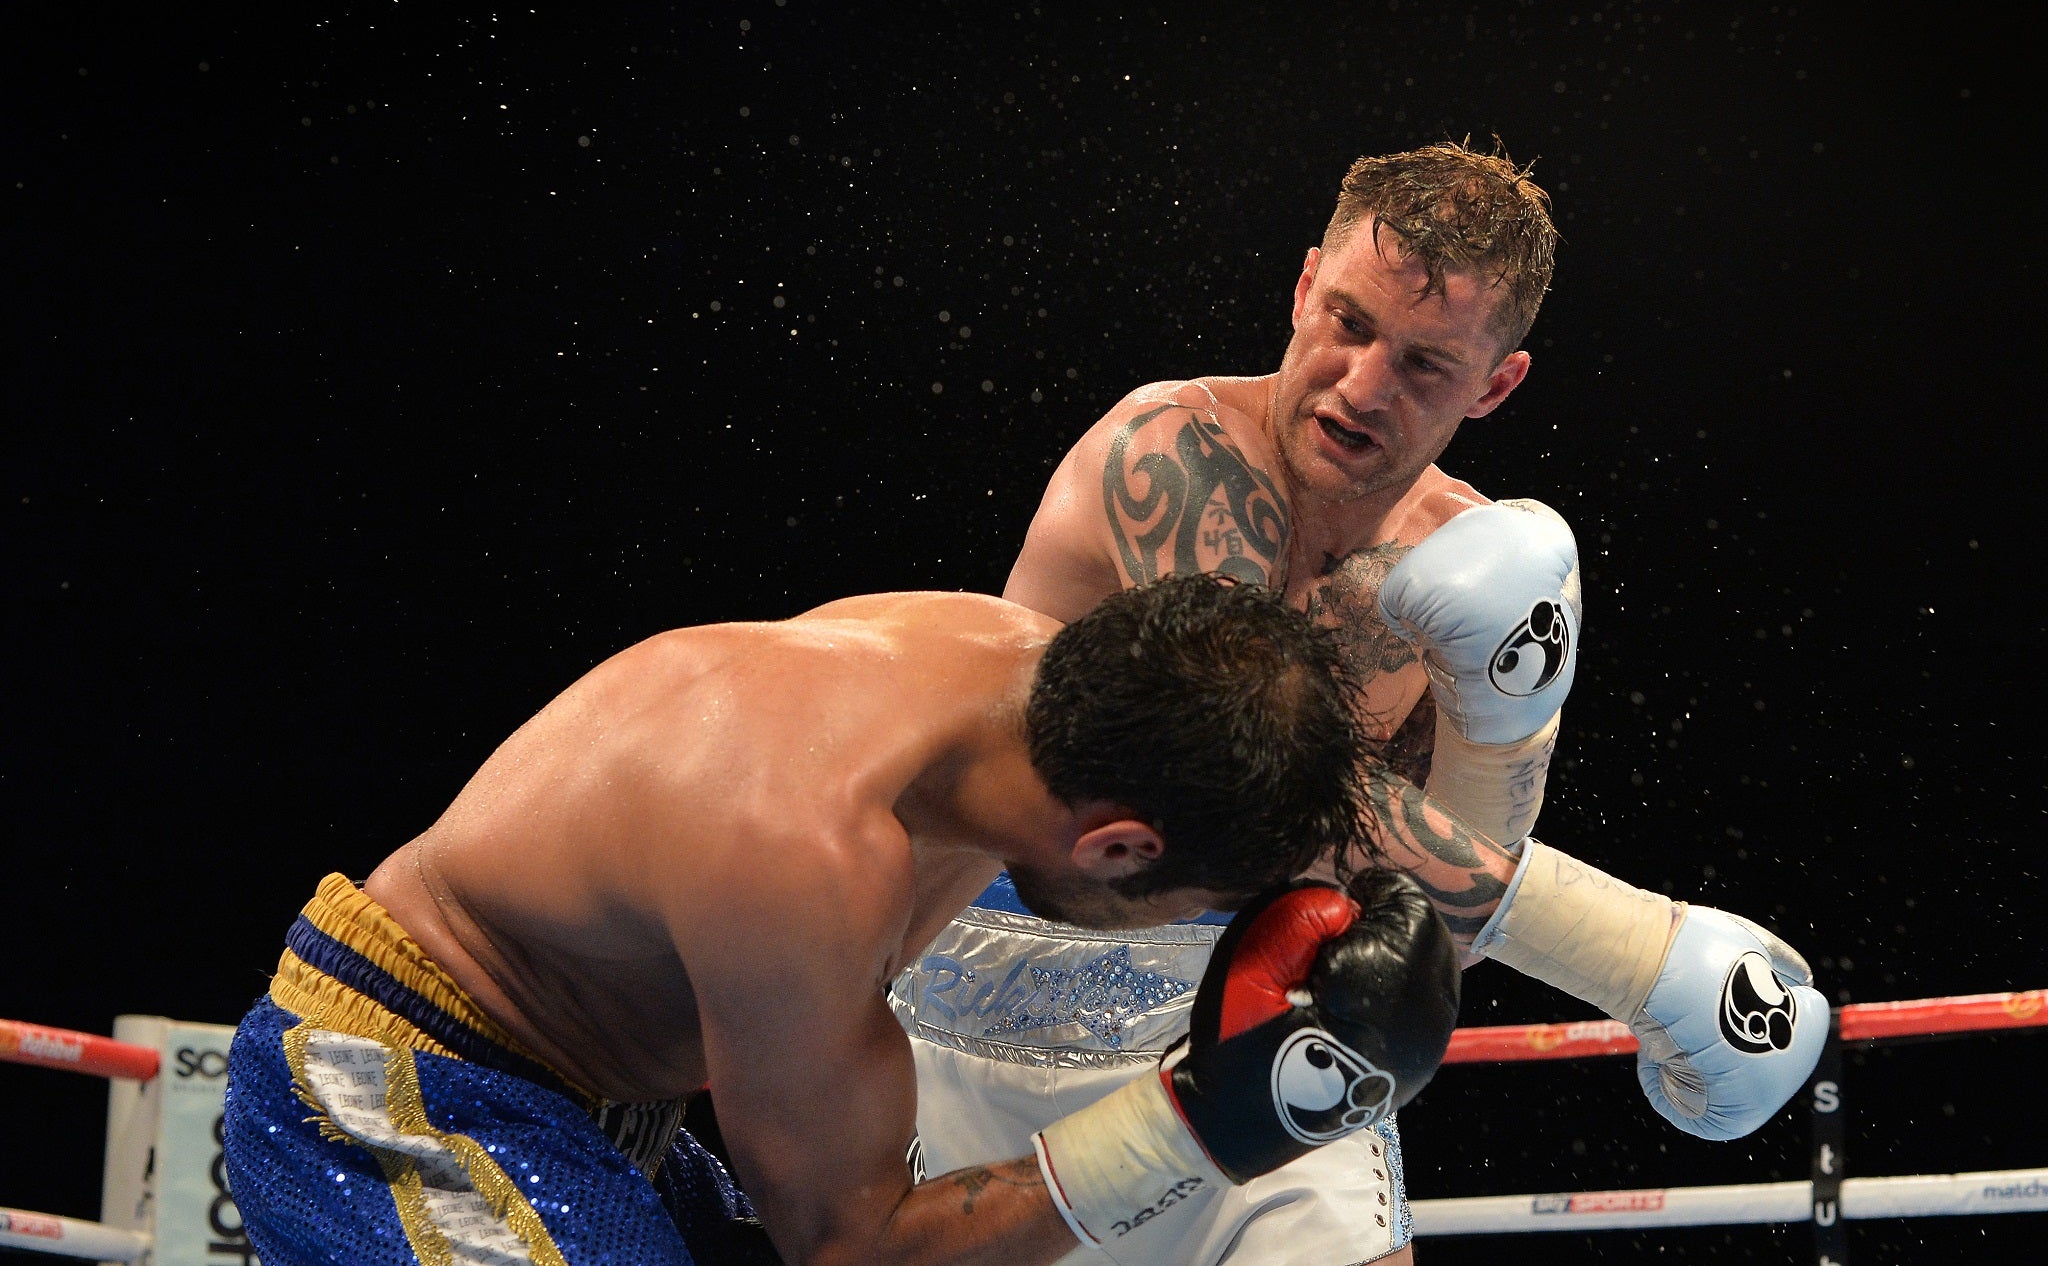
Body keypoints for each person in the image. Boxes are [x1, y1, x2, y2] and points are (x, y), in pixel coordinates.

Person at [892, 141, 1829, 1264]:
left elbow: (1430, 919)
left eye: (1426, 364)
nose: (1361, 384)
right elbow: (1256, 784)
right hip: (991, 974)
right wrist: (1642, 956)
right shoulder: (1167, 454)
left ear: (1495, 383)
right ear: (1299, 288)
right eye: (1346, 322)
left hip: (1255, 999)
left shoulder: (1479, 571)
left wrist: (1493, 726)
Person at [220, 576, 1470, 1266]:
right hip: (397, 1092)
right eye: (1176, 909)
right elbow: (855, 1252)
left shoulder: (1010, 671)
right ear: (1117, 845)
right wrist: (1202, 1118)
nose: (1165, 932)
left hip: (594, 1112)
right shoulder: (803, 848)